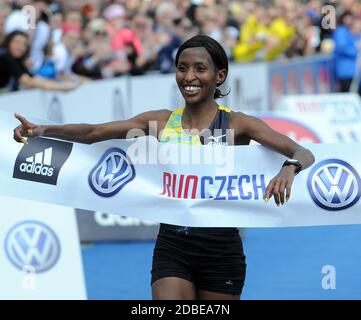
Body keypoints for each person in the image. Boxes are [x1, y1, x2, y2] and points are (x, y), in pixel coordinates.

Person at [13, 35, 315, 300]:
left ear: (219, 75)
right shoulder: (160, 121)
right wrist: (42, 130)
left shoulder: (238, 124)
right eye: (182, 68)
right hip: (173, 245)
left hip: (222, 249)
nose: (189, 77)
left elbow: (301, 152)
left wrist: (288, 168)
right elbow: (94, 133)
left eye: (200, 68)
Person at [0, 30, 77, 92]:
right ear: (8, 42)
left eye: (24, 44)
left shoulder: (17, 60)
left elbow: (33, 78)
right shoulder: (4, 57)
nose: (20, 47)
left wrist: (57, 83)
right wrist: (59, 87)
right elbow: (26, 81)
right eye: (17, 42)